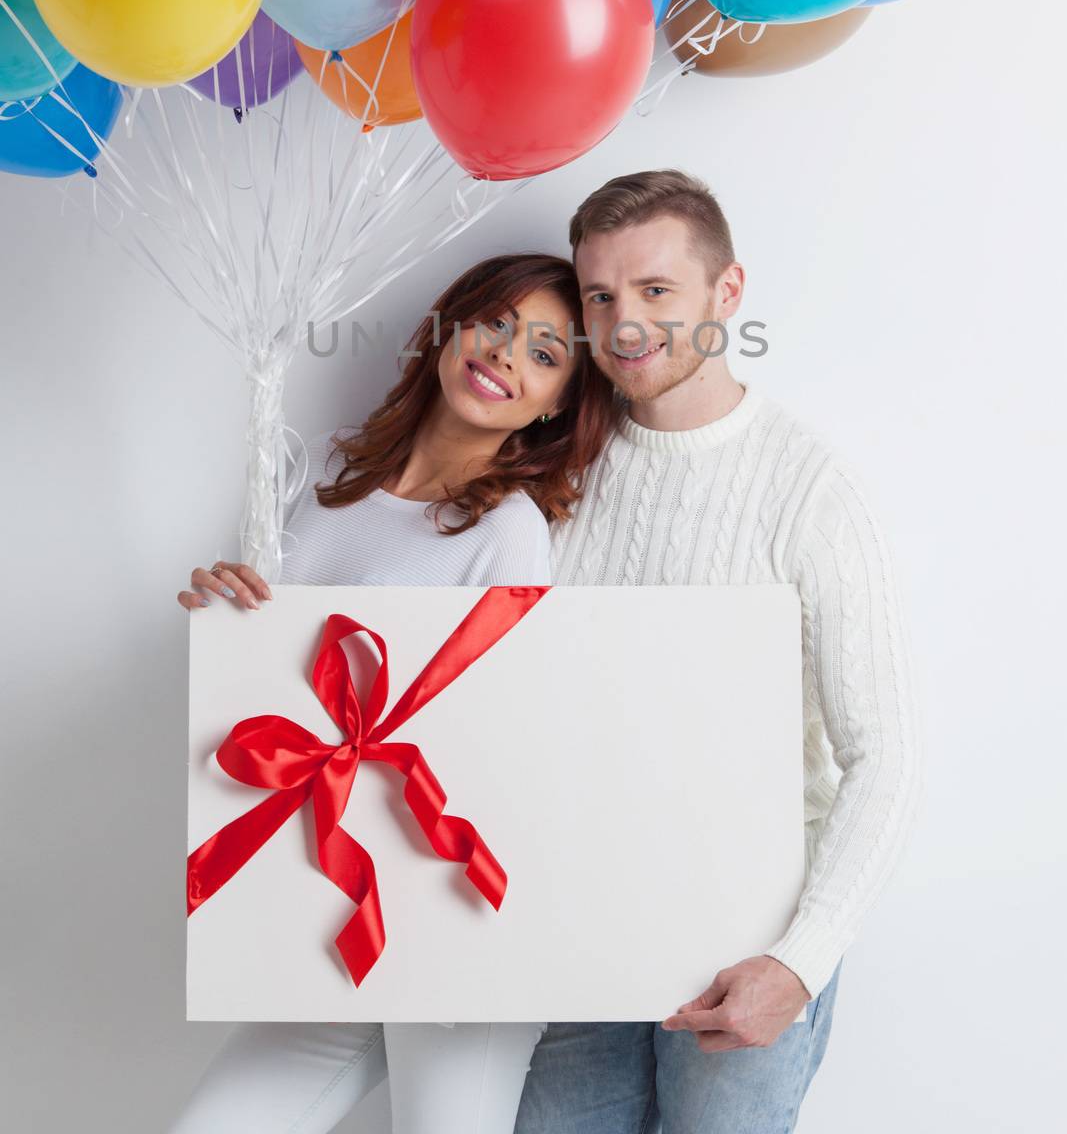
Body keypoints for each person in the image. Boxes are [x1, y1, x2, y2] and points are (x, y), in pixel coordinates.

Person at [513, 169, 925, 1134]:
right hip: (587, 928)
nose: (624, 324)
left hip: (753, 943)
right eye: (600, 296)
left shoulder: (810, 491)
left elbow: (886, 754)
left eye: (655, 291)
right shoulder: (558, 470)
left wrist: (800, 959)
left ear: (725, 294)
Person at [168, 251, 617, 1134]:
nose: (504, 355)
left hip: (451, 911)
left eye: (543, 353)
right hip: (336, 897)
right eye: (495, 323)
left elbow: (501, 740)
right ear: (450, 327)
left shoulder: (509, 533)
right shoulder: (327, 482)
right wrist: (224, 615)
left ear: (557, 402)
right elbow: (276, 691)